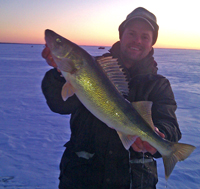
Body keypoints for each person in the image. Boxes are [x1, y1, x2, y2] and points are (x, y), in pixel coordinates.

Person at [41, 7, 181, 189]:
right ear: (121, 36)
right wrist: (59, 75)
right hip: (81, 178)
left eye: (145, 36)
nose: (137, 41)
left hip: (134, 181)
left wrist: (159, 135)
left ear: (151, 43)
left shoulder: (158, 84)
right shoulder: (93, 68)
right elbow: (60, 104)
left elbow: (170, 125)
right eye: (131, 33)